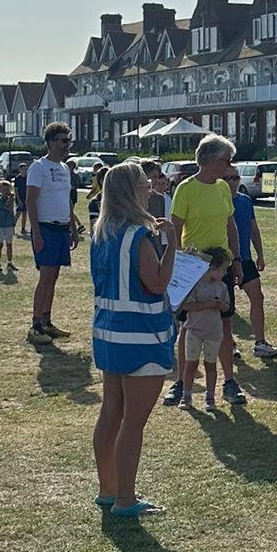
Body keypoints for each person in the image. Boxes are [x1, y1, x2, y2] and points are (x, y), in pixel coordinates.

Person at [90, 161, 176, 517]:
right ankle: (125, 498)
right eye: (145, 184)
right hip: (141, 335)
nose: (151, 189)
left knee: (111, 411)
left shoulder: (103, 232)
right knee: (133, 421)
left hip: (108, 332)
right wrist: (171, 244)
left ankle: (108, 489)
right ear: (132, 191)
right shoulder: (139, 235)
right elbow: (156, 282)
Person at [162, 134, 244, 404]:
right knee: (190, 325)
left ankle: (229, 382)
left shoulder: (223, 188)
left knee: (224, 322)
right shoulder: (186, 188)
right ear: (210, 160)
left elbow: (230, 225)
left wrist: (239, 260)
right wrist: (177, 259)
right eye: (226, 160)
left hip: (222, 265)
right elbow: (174, 227)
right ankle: (181, 383)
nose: (230, 166)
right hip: (195, 266)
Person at [26, 123, 84, 346]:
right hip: (45, 228)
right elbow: (31, 201)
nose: (66, 145)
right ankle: (36, 324)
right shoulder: (38, 167)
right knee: (46, 275)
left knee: (54, 276)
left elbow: (66, 200)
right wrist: (37, 233)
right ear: (51, 142)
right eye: (62, 141)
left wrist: (72, 227)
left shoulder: (64, 169)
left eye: (68, 141)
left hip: (61, 229)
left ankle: (47, 320)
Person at [224, 168, 277, 359]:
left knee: (257, 297)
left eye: (235, 177)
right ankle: (229, 344)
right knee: (227, 306)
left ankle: (260, 343)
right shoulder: (217, 200)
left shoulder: (245, 200)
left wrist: (260, 255)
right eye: (227, 178)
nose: (232, 181)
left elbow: (253, 229)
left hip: (245, 258)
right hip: (224, 261)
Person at [176, 247, 232, 410]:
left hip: (213, 332)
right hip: (194, 331)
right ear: (211, 268)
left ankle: (210, 397)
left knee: (210, 364)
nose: (225, 273)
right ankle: (186, 396)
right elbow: (187, 305)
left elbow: (227, 307)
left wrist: (221, 306)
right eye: (222, 270)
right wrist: (207, 304)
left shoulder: (222, 287)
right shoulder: (195, 285)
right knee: (190, 364)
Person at [14, 161, 31, 238]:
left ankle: (23, 228)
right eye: (23, 169)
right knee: (18, 213)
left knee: (25, 214)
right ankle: (12, 227)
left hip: (26, 197)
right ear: (19, 170)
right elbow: (16, 190)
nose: (24, 170)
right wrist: (19, 200)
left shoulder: (28, 178)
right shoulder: (17, 178)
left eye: (26, 169)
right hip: (19, 198)